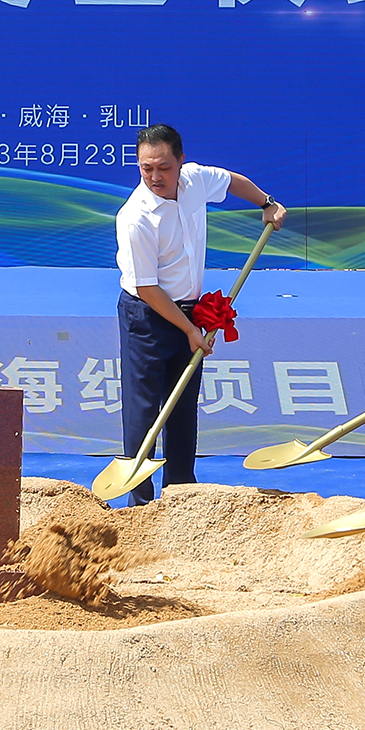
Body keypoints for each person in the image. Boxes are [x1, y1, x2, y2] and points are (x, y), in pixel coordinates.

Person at [112, 124, 286, 507]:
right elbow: (148, 288)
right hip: (148, 316)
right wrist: (190, 329)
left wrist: (267, 203)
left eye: (164, 167)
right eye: (146, 168)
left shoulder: (195, 180)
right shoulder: (136, 217)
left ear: (180, 161)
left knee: (183, 406)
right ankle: (139, 504)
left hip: (191, 311)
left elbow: (233, 182)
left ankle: (180, 496)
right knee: (144, 410)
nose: (155, 177)